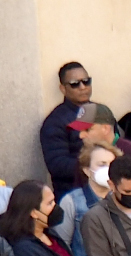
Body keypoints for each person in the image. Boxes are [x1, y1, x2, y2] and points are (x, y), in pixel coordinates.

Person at [41, 61, 94, 193]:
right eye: (75, 84)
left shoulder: (101, 112)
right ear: (63, 89)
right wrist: (94, 166)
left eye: (86, 81)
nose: (82, 87)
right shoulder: (55, 121)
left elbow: (117, 142)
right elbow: (57, 164)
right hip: (74, 193)